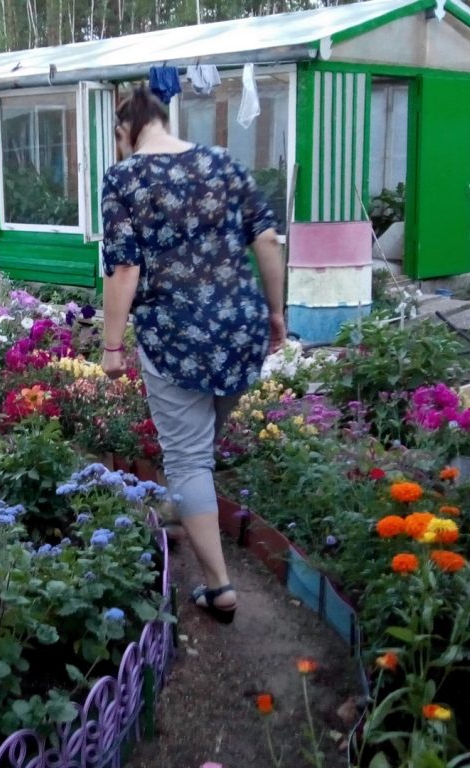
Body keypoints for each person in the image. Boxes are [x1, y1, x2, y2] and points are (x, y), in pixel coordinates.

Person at [100, 85, 285, 624]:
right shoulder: (223, 162)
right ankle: (184, 509)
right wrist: (276, 312)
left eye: (117, 138)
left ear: (125, 129)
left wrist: (112, 347)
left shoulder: (125, 177)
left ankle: (219, 585)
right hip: (240, 330)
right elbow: (267, 240)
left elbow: (125, 268)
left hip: (174, 337)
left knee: (188, 458)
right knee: (195, 452)